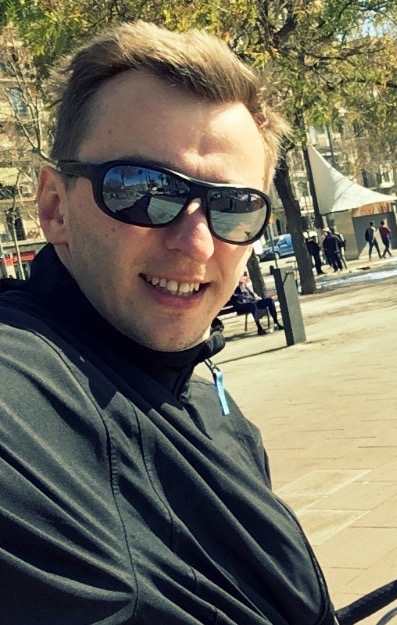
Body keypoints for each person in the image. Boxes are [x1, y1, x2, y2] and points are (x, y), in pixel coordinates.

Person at [0, 21, 333, 622]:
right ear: (55, 207)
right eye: (143, 190)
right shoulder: (24, 388)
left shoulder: (215, 412)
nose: (197, 243)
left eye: (234, 207)